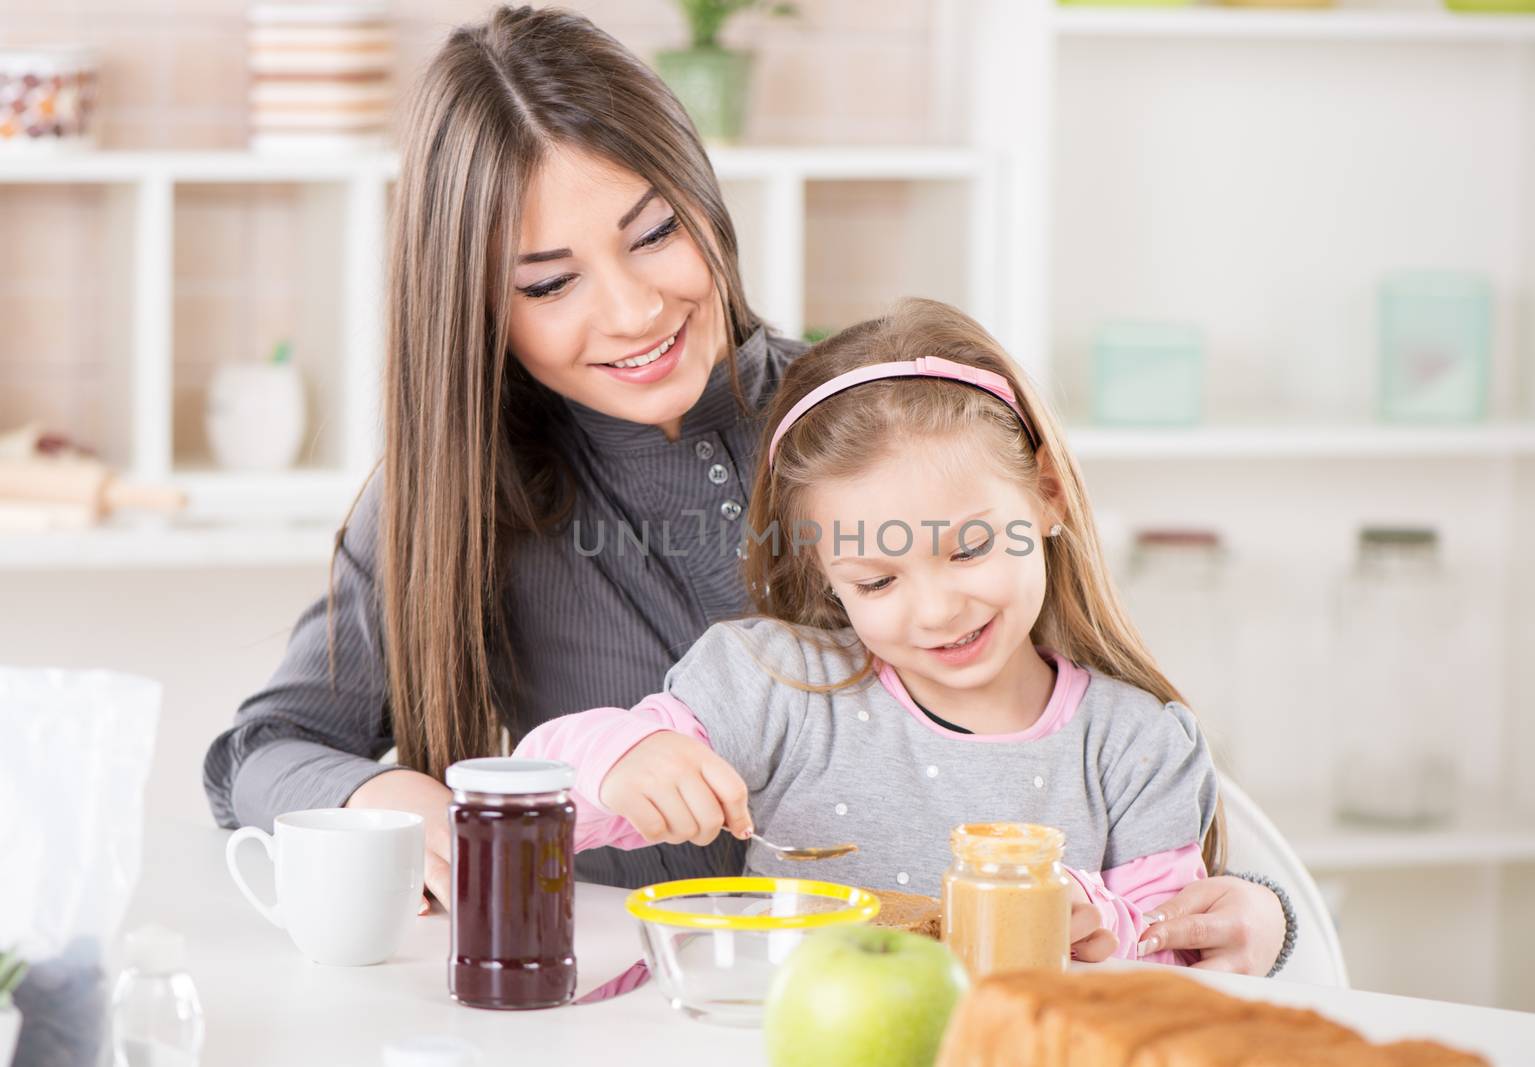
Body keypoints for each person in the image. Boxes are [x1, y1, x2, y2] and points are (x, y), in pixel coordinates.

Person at [201, 4, 1292, 975]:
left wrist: (1253, 909)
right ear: (478, 308)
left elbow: (1099, 749)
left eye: (654, 234)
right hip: (630, 1009)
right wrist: (379, 795)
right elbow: (262, 751)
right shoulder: (452, 498)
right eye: (550, 282)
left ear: (703, 198)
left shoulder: (868, 423)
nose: (631, 310)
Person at [517, 298, 1218, 964]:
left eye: (969, 549)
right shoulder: (776, 686)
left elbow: (1185, 957)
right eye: (877, 581)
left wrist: (1105, 924)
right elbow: (531, 797)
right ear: (825, 574)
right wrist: (623, 761)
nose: (937, 609)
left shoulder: (1137, 745)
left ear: (1048, 495)